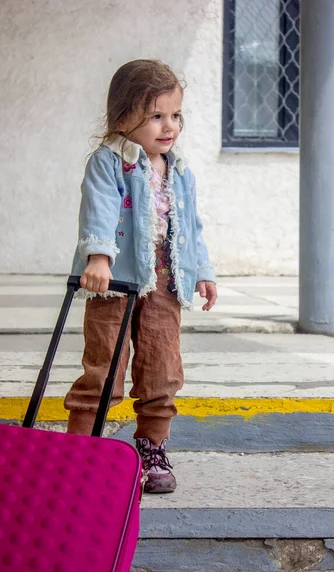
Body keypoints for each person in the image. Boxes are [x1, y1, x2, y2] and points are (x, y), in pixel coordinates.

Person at [64, 59, 217, 493]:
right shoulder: (110, 161)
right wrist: (98, 257)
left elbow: (191, 226)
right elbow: (99, 208)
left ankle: (152, 445)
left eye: (175, 115)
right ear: (123, 116)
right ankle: (81, 448)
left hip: (166, 279)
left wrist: (201, 270)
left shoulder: (179, 168)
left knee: (162, 366)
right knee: (105, 366)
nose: (168, 127)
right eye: (155, 116)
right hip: (112, 280)